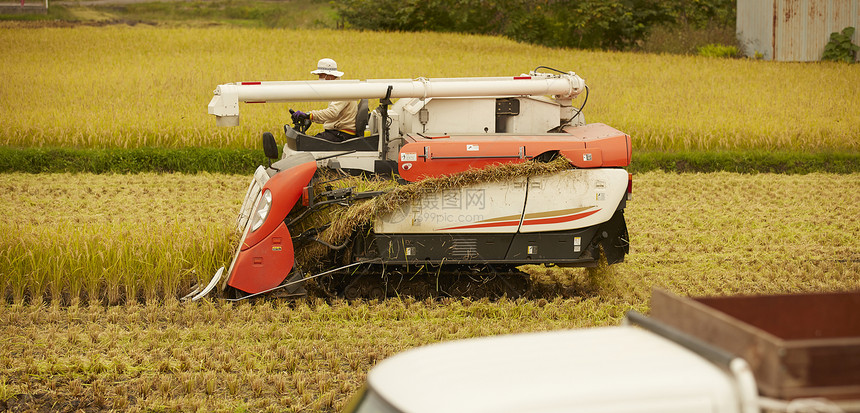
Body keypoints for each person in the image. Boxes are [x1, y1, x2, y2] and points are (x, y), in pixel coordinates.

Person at [291, 58, 358, 142]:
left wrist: (309, 115)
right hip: (336, 132)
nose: (319, 78)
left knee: (307, 144)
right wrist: (310, 118)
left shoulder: (342, 90)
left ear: (329, 76)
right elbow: (331, 117)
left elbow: (332, 113)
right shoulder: (337, 88)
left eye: (321, 75)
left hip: (341, 134)